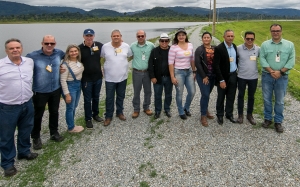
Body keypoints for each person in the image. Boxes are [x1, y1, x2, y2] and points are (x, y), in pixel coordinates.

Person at [0, 39, 38, 177]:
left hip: (27, 103)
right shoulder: (1, 65)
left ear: (21, 48)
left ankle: (24, 151)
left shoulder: (29, 62)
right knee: (6, 135)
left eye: (17, 47)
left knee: (26, 129)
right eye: (11, 48)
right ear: (6, 51)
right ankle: (7, 163)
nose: (15, 50)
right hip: (7, 106)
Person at [26, 35, 65, 150]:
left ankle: (54, 132)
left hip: (55, 89)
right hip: (40, 91)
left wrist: (63, 67)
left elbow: (72, 55)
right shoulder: (32, 56)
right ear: (42, 43)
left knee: (54, 112)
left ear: (55, 44)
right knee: (38, 114)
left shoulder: (59, 53)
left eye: (51, 43)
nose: (49, 45)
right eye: (46, 43)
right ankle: (36, 136)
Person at [260, 23, 295, 133]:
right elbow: (262, 59)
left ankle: (278, 121)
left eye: (277, 31)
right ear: (270, 32)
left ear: (281, 31)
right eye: (273, 31)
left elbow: (291, 61)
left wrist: (280, 72)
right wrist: (271, 71)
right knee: (267, 99)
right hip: (267, 76)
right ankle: (268, 118)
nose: (275, 33)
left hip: (282, 77)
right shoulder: (265, 45)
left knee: (279, 101)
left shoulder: (289, 45)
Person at [101, 29, 133, 126]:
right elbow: (101, 57)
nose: (116, 37)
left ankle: (120, 112)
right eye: (114, 36)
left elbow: (131, 56)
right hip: (109, 78)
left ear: (121, 36)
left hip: (123, 77)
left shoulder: (126, 46)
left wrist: (124, 63)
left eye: (117, 36)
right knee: (109, 98)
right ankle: (108, 116)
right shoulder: (105, 47)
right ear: (111, 37)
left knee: (121, 96)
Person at [168, 28, 196, 120]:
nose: (181, 36)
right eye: (179, 35)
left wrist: (194, 70)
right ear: (176, 36)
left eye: (183, 35)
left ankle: (186, 108)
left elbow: (192, 59)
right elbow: (171, 63)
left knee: (192, 92)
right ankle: (180, 111)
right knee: (179, 93)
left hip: (189, 72)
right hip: (178, 72)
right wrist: (172, 76)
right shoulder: (173, 47)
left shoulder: (190, 45)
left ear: (185, 36)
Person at [79, 29, 104, 129]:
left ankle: (96, 114)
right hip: (86, 79)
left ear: (94, 36)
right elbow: (70, 58)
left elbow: (110, 47)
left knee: (96, 97)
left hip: (98, 77)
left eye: (91, 36)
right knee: (87, 99)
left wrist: (121, 42)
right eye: (87, 36)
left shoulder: (99, 45)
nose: (89, 38)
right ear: (83, 36)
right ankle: (88, 118)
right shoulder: (79, 48)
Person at [213, 29, 238, 125]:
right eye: (228, 36)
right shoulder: (219, 48)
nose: (230, 38)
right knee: (221, 96)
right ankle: (219, 115)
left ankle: (229, 114)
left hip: (233, 75)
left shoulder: (234, 47)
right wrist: (221, 80)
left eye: (232, 36)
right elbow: (216, 65)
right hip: (223, 77)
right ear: (224, 37)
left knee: (231, 96)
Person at [236, 31, 260, 125]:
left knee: (251, 97)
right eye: (247, 38)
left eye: (252, 39)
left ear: (254, 39)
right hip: (241, 76)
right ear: (244, 38)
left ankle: (249, 115)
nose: (249, 40)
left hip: (253, 77)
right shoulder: (238, 48)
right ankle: (240, 115)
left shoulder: (258, 49)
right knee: (240, 96)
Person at [130, 30, 155, 118]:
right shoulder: (132, 46)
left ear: (145, 36)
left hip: (147, 72)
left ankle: (146, 107)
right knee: (136, 92)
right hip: (136, 72)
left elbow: (155, 56)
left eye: (142, 36)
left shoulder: (151, 45)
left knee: (148, 91)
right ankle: (136, 109)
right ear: (136, 37)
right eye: (138, 36)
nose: (140, 37)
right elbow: (128, 56)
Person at [60, 44, 84, 133]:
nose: (74, 53)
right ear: (68, 53)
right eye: (71, 51)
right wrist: (67, 94)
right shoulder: (65, 65)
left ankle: (72, 124)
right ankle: (71, 127)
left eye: (75, 51)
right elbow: (62, 80)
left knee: (74, 106)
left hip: (78, 85)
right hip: (70, 87)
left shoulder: (78, 61)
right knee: (70, 107)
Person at [148, 33, 173, 119]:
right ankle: (157, 110)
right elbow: (150, 65)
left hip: (169, 77)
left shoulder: (172, 50)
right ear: (159, 41)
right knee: (157, 95)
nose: (164, 42)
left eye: (166, 41)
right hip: (158, 78)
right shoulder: (154, 51)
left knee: (168, 95)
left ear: (169, 41)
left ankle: (167, 109)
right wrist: (152, 77)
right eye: (162, 41)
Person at [194, 32, 215, 127]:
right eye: (204, 37)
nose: (206, 39)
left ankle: (205, 110)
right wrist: (204, 76)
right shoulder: (199, 50)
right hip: (203, 76)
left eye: (208, 37)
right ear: (202, 39)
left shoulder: (215, 48)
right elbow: (198, 64)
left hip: (213, 76)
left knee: (207, 94)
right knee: (205, 94)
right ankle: (203, 115)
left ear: (211, 39)